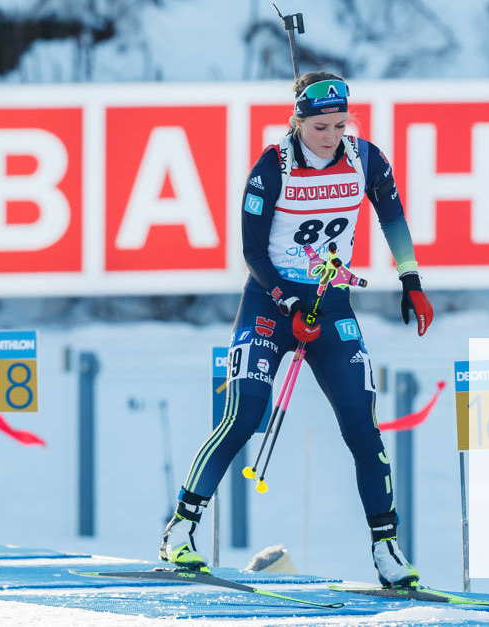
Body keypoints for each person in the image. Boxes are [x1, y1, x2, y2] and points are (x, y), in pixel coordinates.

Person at [158, 71, 434, 589]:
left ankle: (386, 547)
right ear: (298, 122)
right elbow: (252, 252)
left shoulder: (365, 158)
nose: (331, 137)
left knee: (362, 426)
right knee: (245, 415)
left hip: (331, 307)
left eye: (339, 125)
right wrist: (286, 301)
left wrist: (411, 279)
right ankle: (180, 528)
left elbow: (392, 215)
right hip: (269, 304)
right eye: (320, 127)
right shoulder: (272, 166)